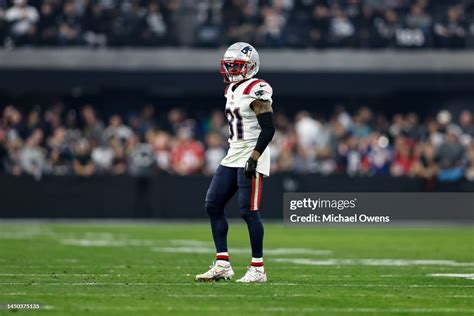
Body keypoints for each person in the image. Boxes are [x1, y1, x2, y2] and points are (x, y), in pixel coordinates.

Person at [195, 42, 275, 283]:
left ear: (251, 67)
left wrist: (255, 156)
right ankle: (222, 264)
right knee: (213, 204)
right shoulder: (231, 89)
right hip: (232, 154)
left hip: (252, 153)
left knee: (247, 210)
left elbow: (269, 128)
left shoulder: (257, 88)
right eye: (229, 65)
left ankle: (258, 268)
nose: (231, 70)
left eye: (237, 66)